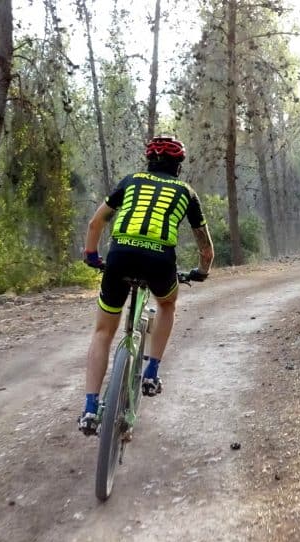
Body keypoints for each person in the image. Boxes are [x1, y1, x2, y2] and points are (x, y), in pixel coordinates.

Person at [78, 135, 214, 435]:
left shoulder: (130, 181)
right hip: (159, 261)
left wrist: (92, 255)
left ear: (149, 161)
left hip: (120, 257)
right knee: (167, 303)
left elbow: (95, 224)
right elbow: (206, 249)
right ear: (178, 166)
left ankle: (89, 408)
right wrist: (201, 272)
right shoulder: (186, 192)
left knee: (103, 332)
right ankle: (151, 372)